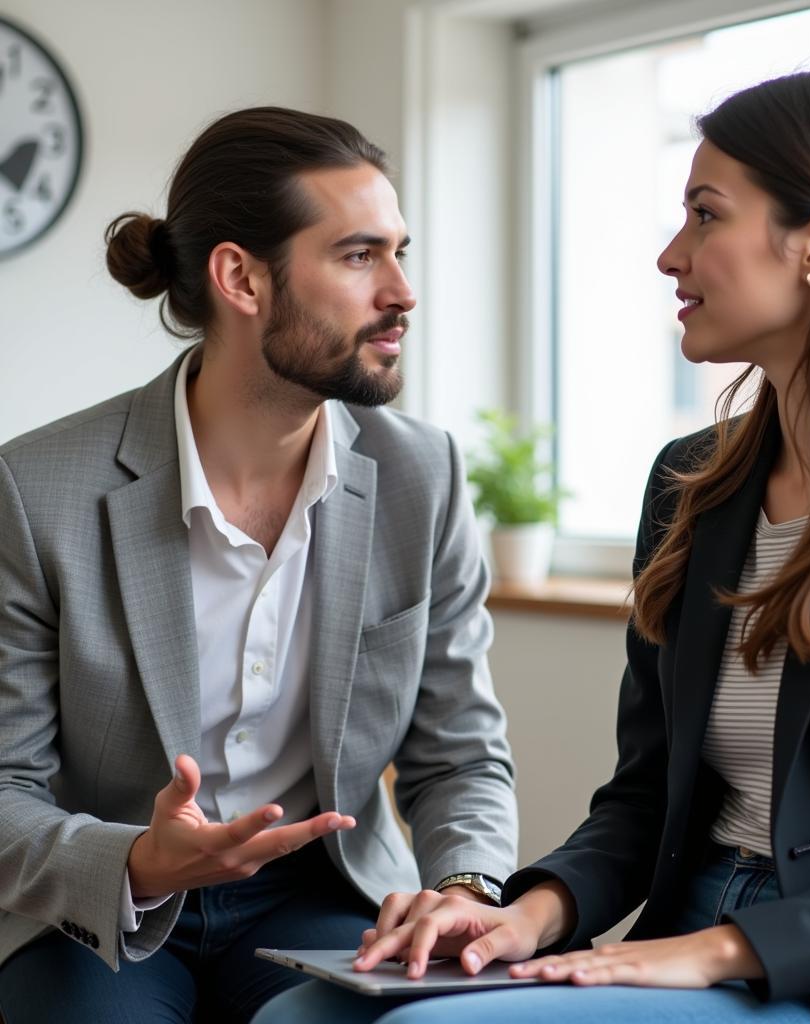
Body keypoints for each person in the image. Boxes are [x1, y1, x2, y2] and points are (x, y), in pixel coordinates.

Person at [251, 62, 810, 1024]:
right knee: (302, 1016)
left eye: (706, 215)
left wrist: (712, 954)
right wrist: (524, 912)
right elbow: (646, 798)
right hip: (687, 932)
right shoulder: (691, 482)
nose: (671, 254)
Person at [0, 107, 517, 1023]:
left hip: (322, 897)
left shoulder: (418, 474)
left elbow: (461, 753)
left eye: (400, 252)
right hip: (98, 907)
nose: (401, 290)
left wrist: (467, 889)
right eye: (359, 256)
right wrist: (137, 862)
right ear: (240, 276)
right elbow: (5, 785)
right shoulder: (35, 489)